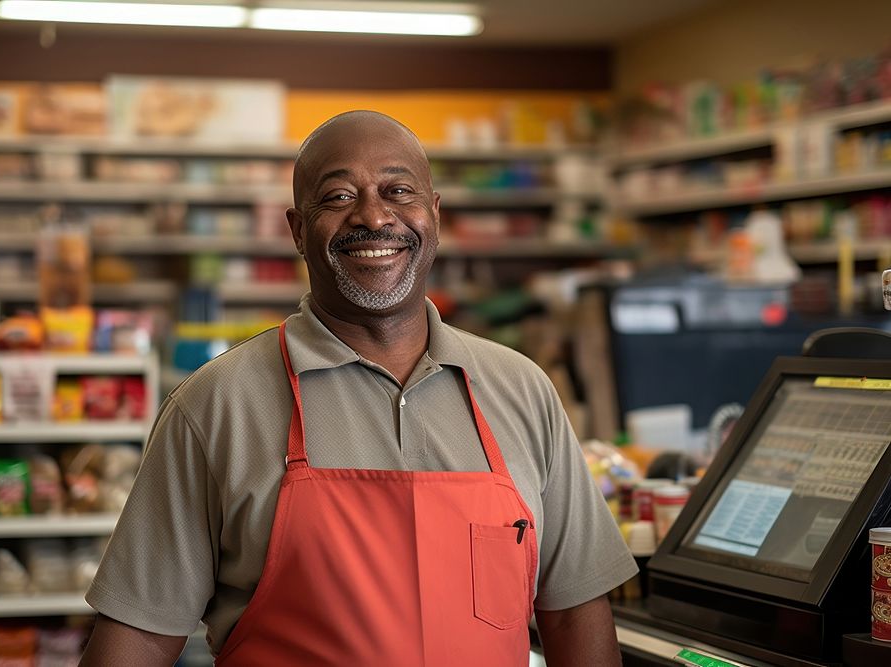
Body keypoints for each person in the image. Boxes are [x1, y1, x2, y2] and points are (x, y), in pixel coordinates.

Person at [80, 110, 637, 666]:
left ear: (435, 216)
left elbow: (574, 610)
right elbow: (139, 637)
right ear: (298, 230)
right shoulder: (216, 404)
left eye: (398, 191)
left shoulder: (522, 390)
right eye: (339, 196)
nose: (373, 216)